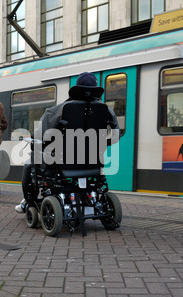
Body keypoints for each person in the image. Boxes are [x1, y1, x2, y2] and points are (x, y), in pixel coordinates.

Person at [15, 72, 119, 213]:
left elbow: (41, 134)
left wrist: (34, 140)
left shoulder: (59, 110)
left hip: (62, 162)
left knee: (29, 164)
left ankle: (29, 202)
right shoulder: (105, 110)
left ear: (76, 88)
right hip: (93, 163)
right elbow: (115, 135)